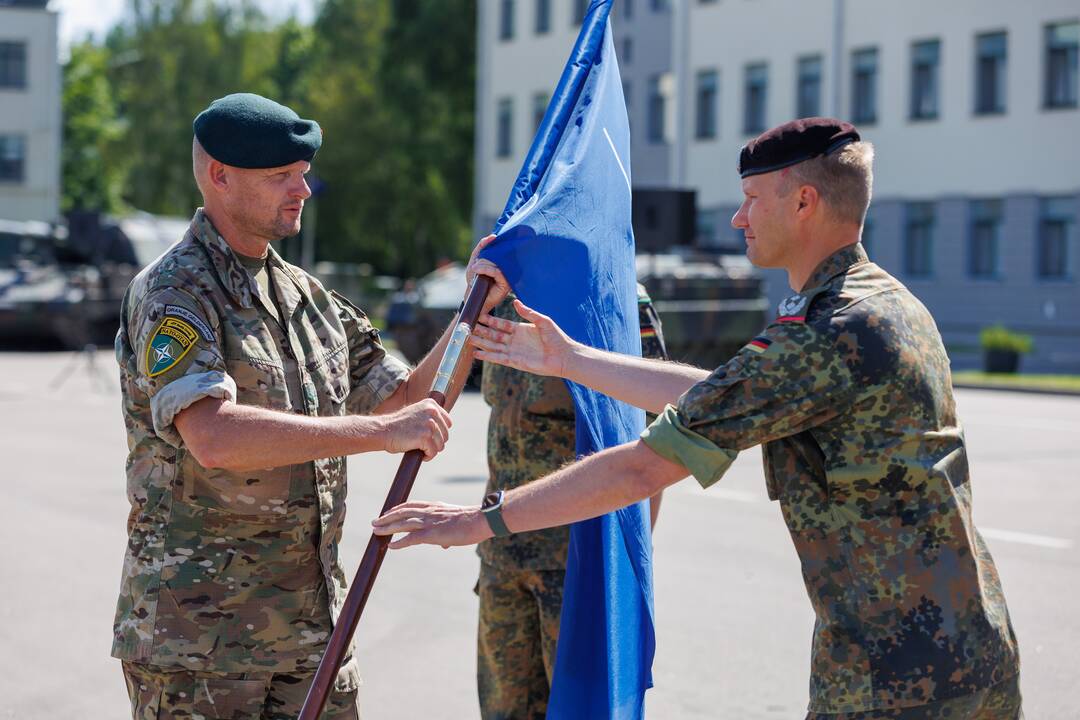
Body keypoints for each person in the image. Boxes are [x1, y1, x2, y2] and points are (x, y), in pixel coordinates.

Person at [374, 118, 1022, 719]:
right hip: (956, 649)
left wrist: (476, 521)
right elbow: (716, 393)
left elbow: (640, 468)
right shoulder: (880, 305)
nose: (739, 218)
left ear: (804, 203)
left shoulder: (830, 332)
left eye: (751, 199)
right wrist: (571, 359)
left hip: (900, 677)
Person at [111, 93, 508, 719]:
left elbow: (408, 399)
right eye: (281, 177)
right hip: (201, 647)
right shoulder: (175, 292)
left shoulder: (307, 298)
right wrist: (378, 433)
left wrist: (473, 312)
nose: (303, 190)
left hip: (311, 640)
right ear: (220, 175)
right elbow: (213, 435)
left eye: (302, 174)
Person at [476, 287, 668, 719]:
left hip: (576, 565)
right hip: (502, 557)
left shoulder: (612, 291)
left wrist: (628, 559)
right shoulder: (498, 295)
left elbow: (655, 441)